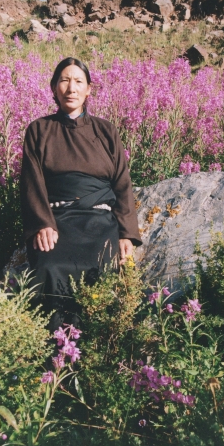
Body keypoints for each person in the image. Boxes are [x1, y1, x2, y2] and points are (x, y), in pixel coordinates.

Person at [20, 57, 142, 326]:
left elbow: (122, 183)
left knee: (103, 272)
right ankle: (55, 349)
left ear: (89, 89)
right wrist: (42, 224)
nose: (71, 88)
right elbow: (32, 181)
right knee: (49, 267)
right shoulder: (39, 129)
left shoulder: (106, 131)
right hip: (58, 221)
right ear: (53, 88)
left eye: (78, 81)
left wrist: (127, 234)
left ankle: (92, 350)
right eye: (64, 80)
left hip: (100, 222)